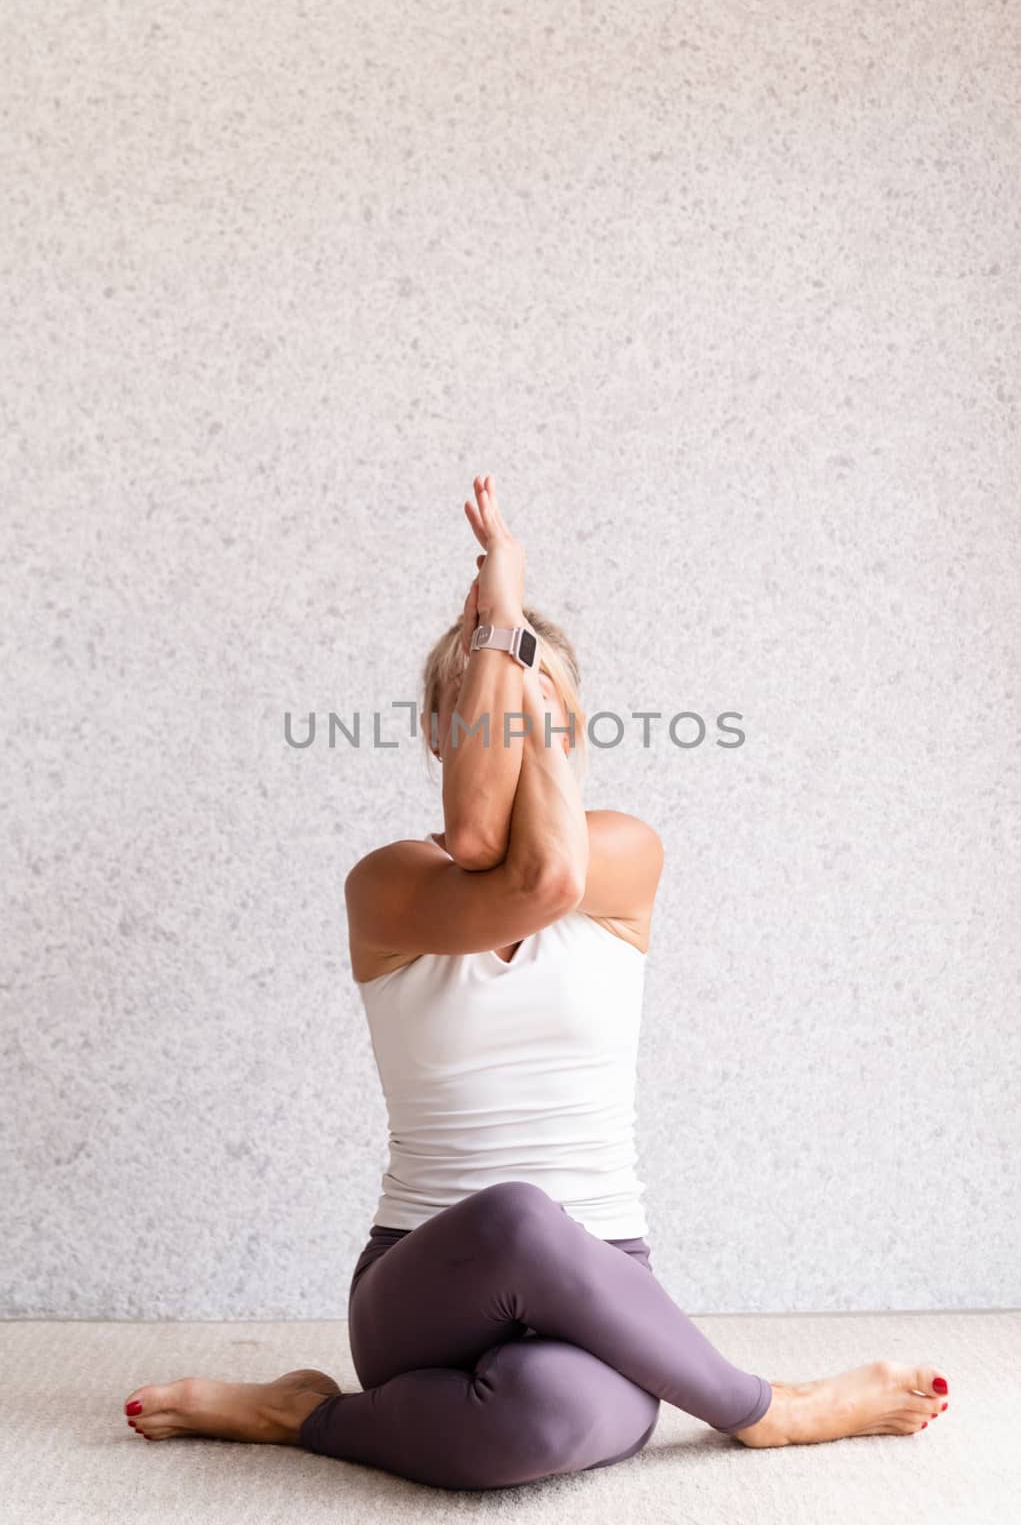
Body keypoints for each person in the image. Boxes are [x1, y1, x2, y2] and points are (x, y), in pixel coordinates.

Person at [121, 475, 950, 1487]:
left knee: (541, 1422)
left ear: (572, 725)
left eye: (537, 706)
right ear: (438, 732)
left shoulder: (626, 856)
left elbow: (541, 866)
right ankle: (772, 1410)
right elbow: (486, 845)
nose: (510, 723)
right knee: (516, 1217)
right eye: (479, 708)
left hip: (607, 1283)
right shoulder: (389, 885)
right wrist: (503, 632)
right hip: (419, 1286)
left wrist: (504, 642)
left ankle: (309, 1415)